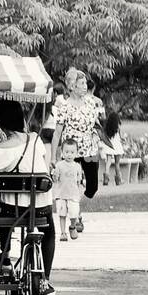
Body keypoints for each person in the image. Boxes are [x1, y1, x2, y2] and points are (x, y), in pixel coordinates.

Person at [0, 100, 57, 295]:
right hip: (41, 206)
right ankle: (44, 278)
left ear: (0, 122)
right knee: (50, 233)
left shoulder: (2, 149)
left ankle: (5, 257)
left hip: (14, 209)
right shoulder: (36, 140)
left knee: (1, 212)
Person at [51, 68, 106, 237]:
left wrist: (98, 136)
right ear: (72, 86)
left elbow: (96, 124)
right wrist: (53, 156)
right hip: (71, 150)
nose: (85, 87)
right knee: (71, 184)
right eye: (81, 84)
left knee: (92, 187)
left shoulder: (91, 103)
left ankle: (76, 205)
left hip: (89, 148)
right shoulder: (65, 106)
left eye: (85, 84)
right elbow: (57, 132)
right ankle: (75, 218)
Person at [52, 139, 84, 242]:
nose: (69, 155)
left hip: (73, 195)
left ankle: (72, 226)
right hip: (61, 194)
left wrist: (79, 192)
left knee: (74, 213)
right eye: (66, 152)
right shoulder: (59, 165)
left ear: (76, 153)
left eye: (72, 152)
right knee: (62, 214)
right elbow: (55, 179)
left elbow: (79, 181)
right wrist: (54, 173)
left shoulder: (77, 167)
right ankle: (62, 232)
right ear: (62, 152)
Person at [99, 111, 126, 185]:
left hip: (109, 146)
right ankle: (118, 180)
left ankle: (106, 179)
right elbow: (121, 137)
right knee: (117, 163)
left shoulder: (107, 128)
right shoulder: (118, 128)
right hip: (117, 147)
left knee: (108, 162)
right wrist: (124, 140)